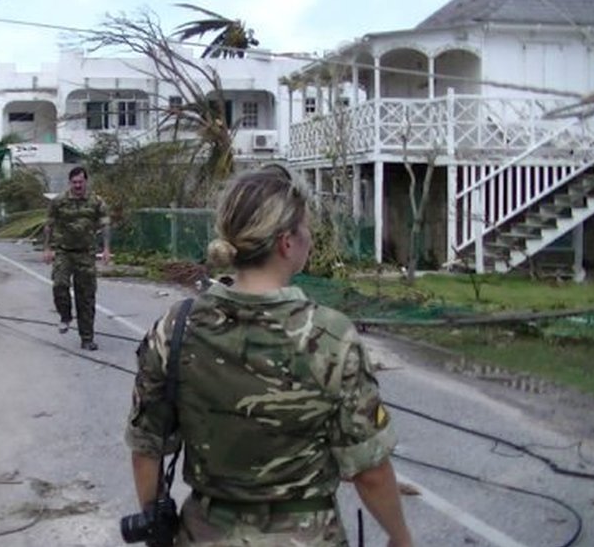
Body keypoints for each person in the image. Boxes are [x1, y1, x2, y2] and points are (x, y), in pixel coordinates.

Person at [126, 167, 412, 546]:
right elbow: (369, 472)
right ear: (286, 242)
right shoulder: (331, 337)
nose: (310, 236)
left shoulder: (175, 329)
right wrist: (401, 537)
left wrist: (155, 525)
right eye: (306, 227)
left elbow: (147, 448)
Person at [43, 166, 111, 351]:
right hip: (64, 251)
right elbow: (49, 224)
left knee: (86, 297)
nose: (78, 185)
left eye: (81, 182)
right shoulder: (59, 201)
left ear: (86, 182)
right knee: (59, 284)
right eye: (75, 182)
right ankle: (65, 315)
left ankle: (87, 338)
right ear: (70, 183)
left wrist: (106, 249)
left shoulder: (96, 202)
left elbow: (105, 225)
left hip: (86, 253)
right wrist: (47, 248)